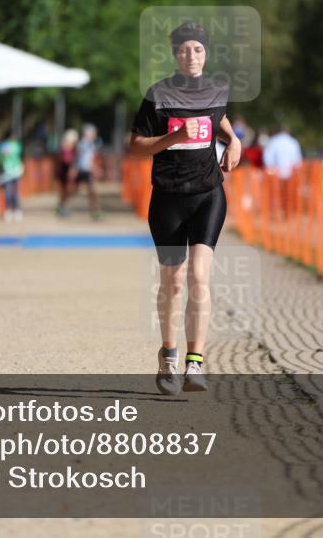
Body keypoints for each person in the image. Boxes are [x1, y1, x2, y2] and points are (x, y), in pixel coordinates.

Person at [129, 22, 240, 395]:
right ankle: (168, 357)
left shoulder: (217, 90)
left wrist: (234, 140)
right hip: (168, 198)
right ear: (174, 54)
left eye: (197, 49)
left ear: (206, 54)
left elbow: (217, 118)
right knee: (173, 283)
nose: (191, 56)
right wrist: (174, 137)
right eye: (183, 50)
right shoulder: (157, 95)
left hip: (208, 195)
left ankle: (196, 364)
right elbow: (136, 146)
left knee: (199, 278)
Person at [263, 123, 303, 218]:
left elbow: (267, 158)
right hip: (290, 174)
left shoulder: (273, 141)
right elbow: (298, 160)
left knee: (275, 195)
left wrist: (270, 169)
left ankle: (276, 213)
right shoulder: (293, 142)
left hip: (275, 174)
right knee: (287, 195)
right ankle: (286, 213)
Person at [72, 123, 102, 219]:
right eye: (93, 133)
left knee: (93, 191)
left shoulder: (91, 144)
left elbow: (89, 159)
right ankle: (61, 206)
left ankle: (95, 211)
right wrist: (74, 169)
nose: (94, 135)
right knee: (73, 190)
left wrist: (94, 168)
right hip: (81, 170)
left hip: (87, 171)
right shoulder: (83, 144)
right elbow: (77, 158)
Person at [0, 129, 24, 222]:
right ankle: (11, 211)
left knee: (12, 192)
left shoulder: (5, 146)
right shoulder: (9, 146)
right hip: (9, 172)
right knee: (11, 192)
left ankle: (14, 211)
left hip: (14, 172)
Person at [55, 128, 78, 218]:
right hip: (63, 173)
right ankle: (61, 207)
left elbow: (73, 161)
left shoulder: (74, 149)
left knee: (69, 191)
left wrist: (73, 168)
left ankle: (62, 206)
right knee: (64, 191)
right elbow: (64, 161)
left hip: (68, 172)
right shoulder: (64, 148)